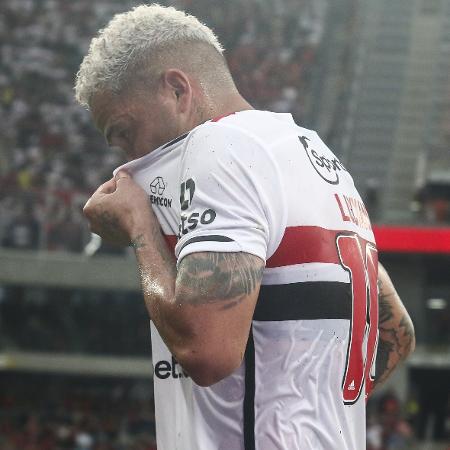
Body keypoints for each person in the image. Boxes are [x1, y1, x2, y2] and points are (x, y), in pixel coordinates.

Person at [75, 5, 415, 449]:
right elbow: (396, 333)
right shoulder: (314, 156)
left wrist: (140, 227)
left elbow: (206, 351)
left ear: (177, 90)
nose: (125, 159)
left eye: (124, 131)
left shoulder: (220, 148)